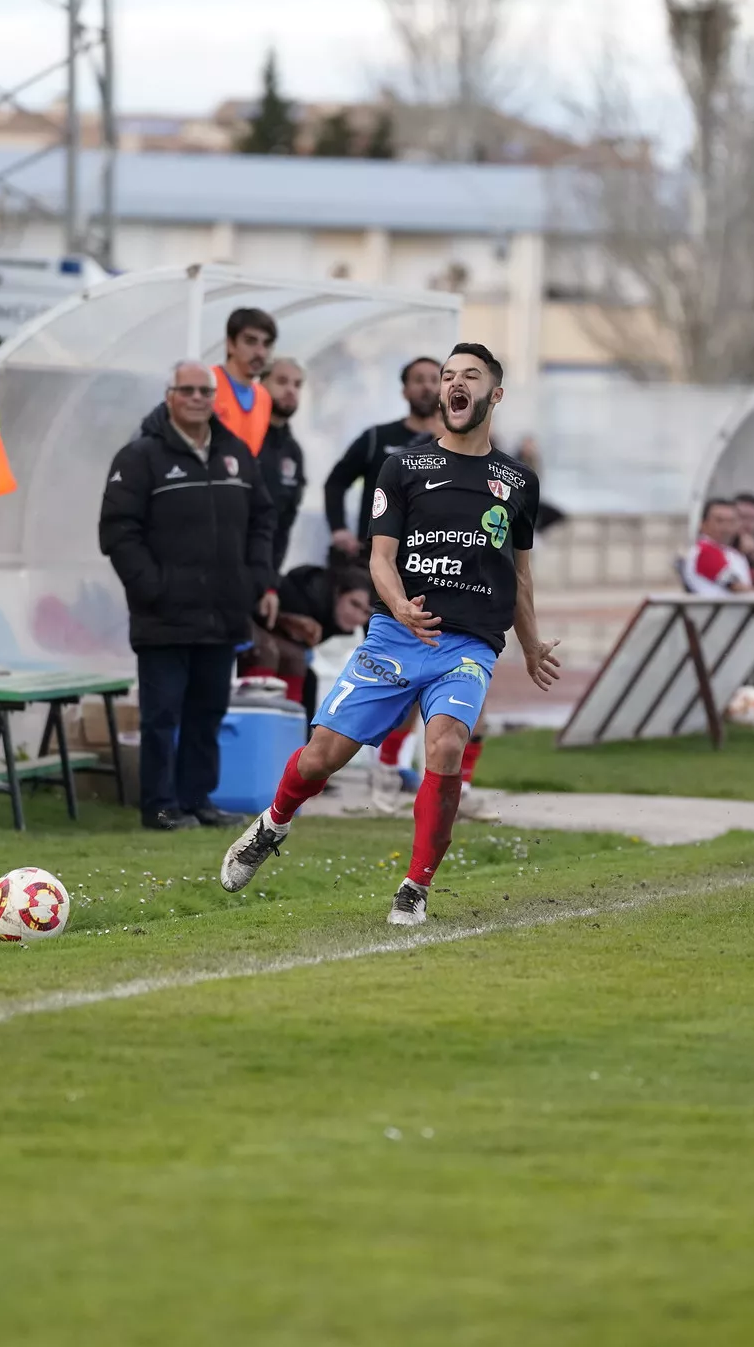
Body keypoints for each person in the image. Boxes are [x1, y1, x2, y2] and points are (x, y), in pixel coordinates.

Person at [219, 342, 560, 926]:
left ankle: (415, 885)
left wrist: (530, 646)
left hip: (469, 644)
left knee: (447, 744)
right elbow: (382, 559)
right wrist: (399, 606)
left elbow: (520, 575)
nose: (455, 383)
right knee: (321, 758)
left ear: (493, 395)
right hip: (394, 638)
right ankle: (271, 825)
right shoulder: (404, 466)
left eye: (470, 376)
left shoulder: (517, 482)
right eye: (449, 375)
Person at [100, 360, 279, 831]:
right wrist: (151, 586)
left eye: (205, 390)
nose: (198, 398)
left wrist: (255, 578)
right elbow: (118, 532)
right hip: (163, 615)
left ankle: (198, 799)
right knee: (162, 717)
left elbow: (264, 518)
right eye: (188, 390)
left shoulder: (235, 452)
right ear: (170, 395)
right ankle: (160, 807)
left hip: (224, 612)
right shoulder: (140, 457)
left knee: (208, 712)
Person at [323, 356, 443, 558]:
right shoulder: (376, 438)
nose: (427, 387)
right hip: (376, 556)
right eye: (419, 380)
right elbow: (336, 482)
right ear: (404, 391)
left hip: (435, 560)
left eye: (434, 380)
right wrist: (339, 529)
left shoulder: (456, 444)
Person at [245, 563, 375, 718]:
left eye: (366, 612)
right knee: (289, 658)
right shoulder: (302, 593)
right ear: (337, 593)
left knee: (309, 679)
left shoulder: (331, 615)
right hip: (248, 630)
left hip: (280, 651)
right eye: (354, 604)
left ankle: (297, 733)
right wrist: (283, 619)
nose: (358, 616)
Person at [256, 357, 307, 571]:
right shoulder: (242, 438)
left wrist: (271, 582)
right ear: (261, 384)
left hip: (264, 570)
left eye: (297, 384)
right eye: (282, 381)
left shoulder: (293, 451)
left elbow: (285, 523)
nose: (290, 390)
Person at [213, 308, 276, 455]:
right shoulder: (207, 384)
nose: (260, 352)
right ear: (230, 345)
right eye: (250, 341)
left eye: (266, 344)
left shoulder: (263, 397)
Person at [682, 498, 754, 595]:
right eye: (719, 521)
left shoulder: (732, 553)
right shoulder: (704, 551)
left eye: (731, 521)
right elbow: (737, 588)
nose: (726, 527)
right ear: (703, 524)